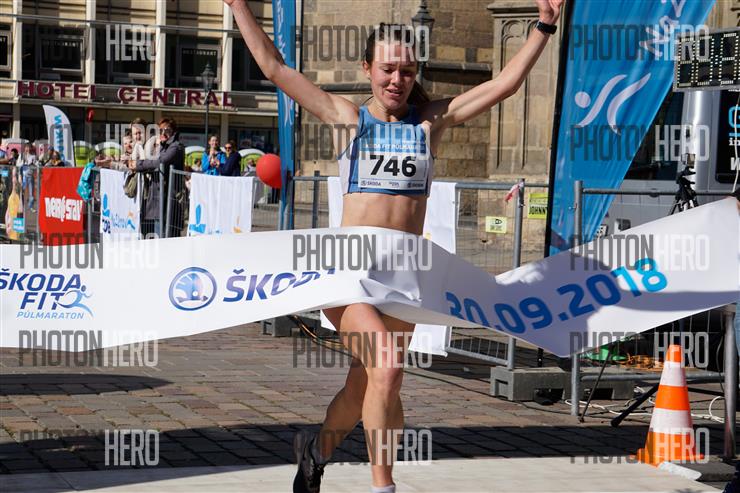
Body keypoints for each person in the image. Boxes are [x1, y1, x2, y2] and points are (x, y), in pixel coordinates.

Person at [227, 0, 564, 492]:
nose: (397, 80)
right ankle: (383, 487)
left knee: (368, 382)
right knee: (385, 366)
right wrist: (238, 5)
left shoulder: (430, 122)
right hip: (349, 276)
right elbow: (275, 67)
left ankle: (315, 453)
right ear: (367, 68)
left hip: (403, 277)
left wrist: (543, 26)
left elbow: (504, 85)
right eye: (387, 69)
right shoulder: (346, 118)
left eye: (407, 71)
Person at [127, 118, 184, 238]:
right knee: (154, 238)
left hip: (171, 199)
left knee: (168, 238)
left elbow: (159, 162)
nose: (163, 133)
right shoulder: (161, 146)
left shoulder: (176, 147)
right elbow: (151, 161)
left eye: (167, 130)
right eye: (161, 130)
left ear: (173, 131)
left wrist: (138, 165)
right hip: (157, 200)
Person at [18, 143, 37, 212]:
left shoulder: (33, 156)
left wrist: (33, 164)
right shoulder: (21, 155)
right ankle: (22, 207)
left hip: (30, 176)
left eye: (28, 147)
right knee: (22, 192)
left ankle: (30, 207)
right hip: (23, 176)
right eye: (26, 147)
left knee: (31, 193)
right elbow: (18, 164)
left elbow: (35, 166)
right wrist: (23, 163)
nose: (27, 149)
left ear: (30, 148)